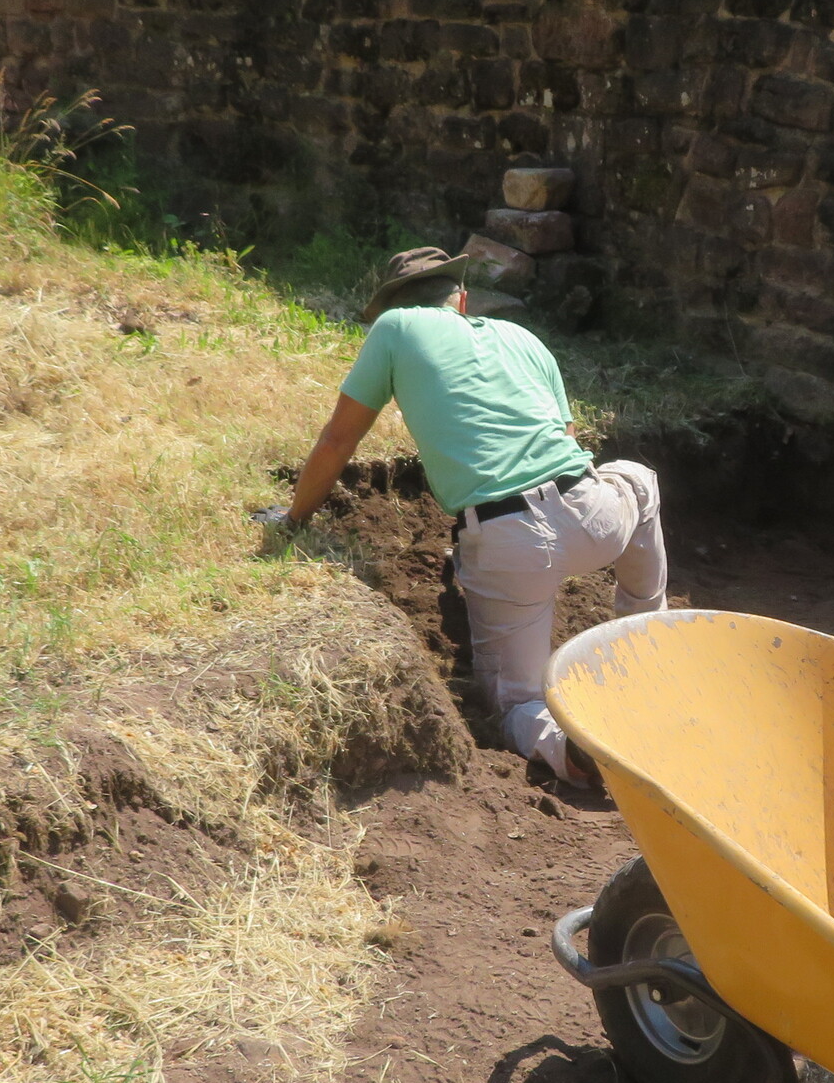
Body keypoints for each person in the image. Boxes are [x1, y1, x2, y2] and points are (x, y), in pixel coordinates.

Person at [263, 245, 667, 782]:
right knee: (639, 480)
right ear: (462, 299)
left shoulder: (394, 327)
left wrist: (292, 519)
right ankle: (649, 637)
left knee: (519, 704)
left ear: (393, 304)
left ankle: (572, 750)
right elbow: (568, 441)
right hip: (595, 511)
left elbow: (339, 440)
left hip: (508, 541)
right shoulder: (523, 337)